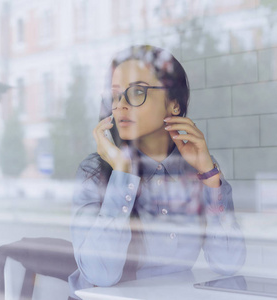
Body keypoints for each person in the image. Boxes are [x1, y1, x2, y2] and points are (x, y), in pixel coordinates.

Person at [68, 45, 246, 300]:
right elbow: (100, 274)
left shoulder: (197, 168)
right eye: (116, 95)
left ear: (174, 104)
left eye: (137, 92)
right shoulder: (94, 172)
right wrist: (123, 174)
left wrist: (210, 176)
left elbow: (228, 265)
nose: (120, 106)